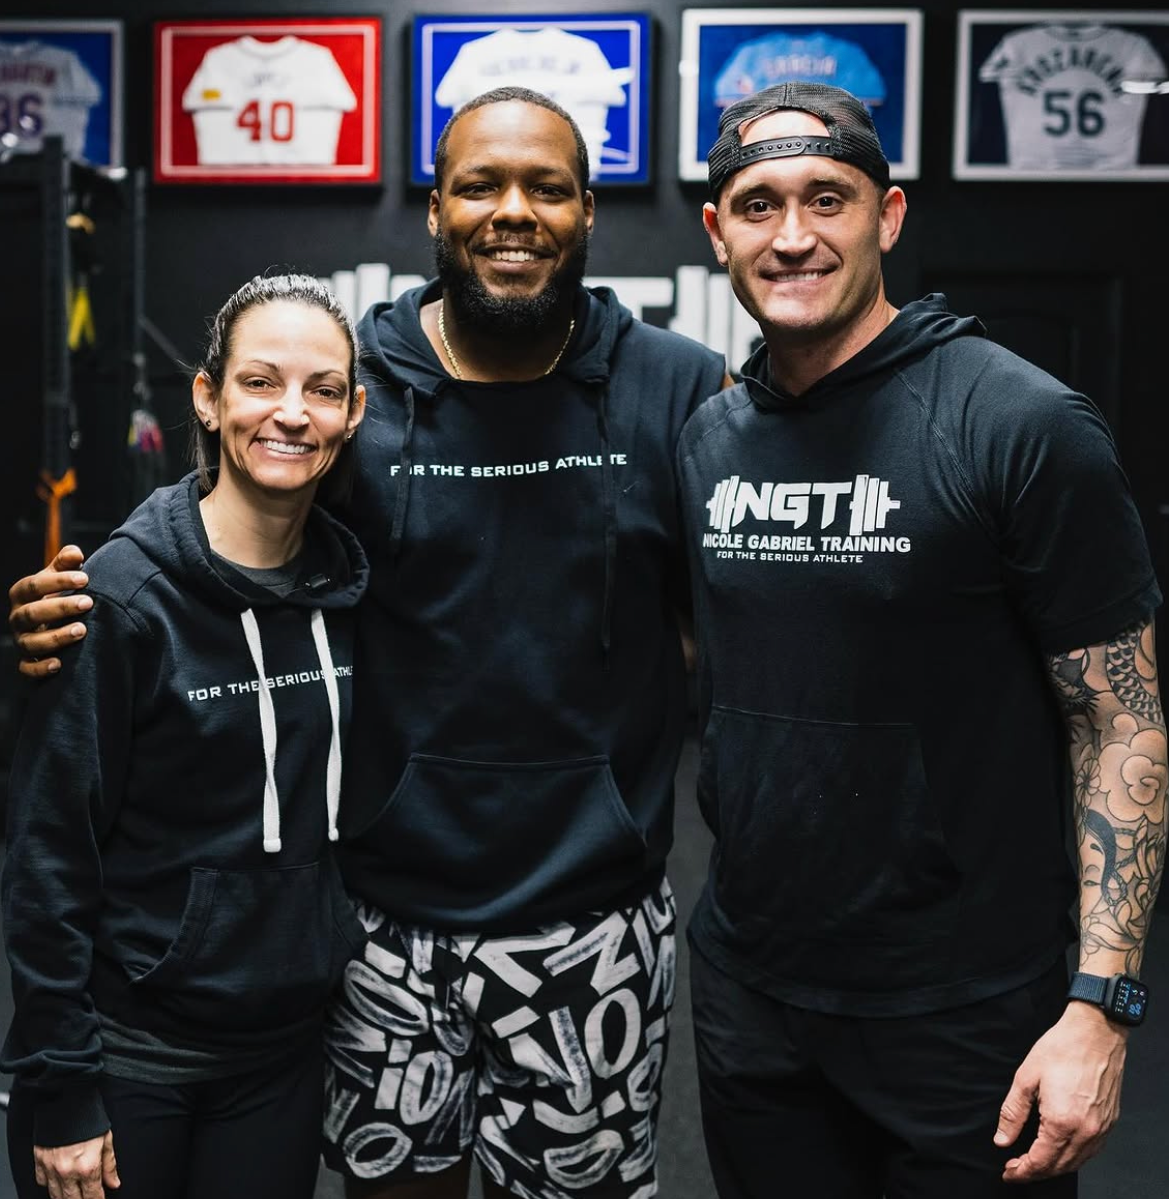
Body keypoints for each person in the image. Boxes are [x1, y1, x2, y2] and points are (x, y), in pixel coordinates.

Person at [8, 89, 729, 1198]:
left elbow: (732, 602)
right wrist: (89, 593)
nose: (513, 211)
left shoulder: (675, 385)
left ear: (589, 211)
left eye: (545, 187)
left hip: (593, 927)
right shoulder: (366, 380)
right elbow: (238, 504)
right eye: (481, 185)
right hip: (382, 927)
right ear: (435, 210)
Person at [675, 81, 1166, 1197]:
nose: (792, 235)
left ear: (887, 216)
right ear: (717, 231)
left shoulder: (1020, 422)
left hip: (968, 1011)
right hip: (756, 996)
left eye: (826, 199)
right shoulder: (709, 437)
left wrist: (1102, 1006)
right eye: (757, 204)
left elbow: (1122, 720)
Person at [2, 273, 369, 1199]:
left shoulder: (352, 590)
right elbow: (47, 858)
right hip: (132, 1060)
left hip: (281, 1057)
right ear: (207, 398)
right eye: (260, 381)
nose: (291, 413)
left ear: (354, 412)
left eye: (323, 389)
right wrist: (61, 1090)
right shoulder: (118, 600)